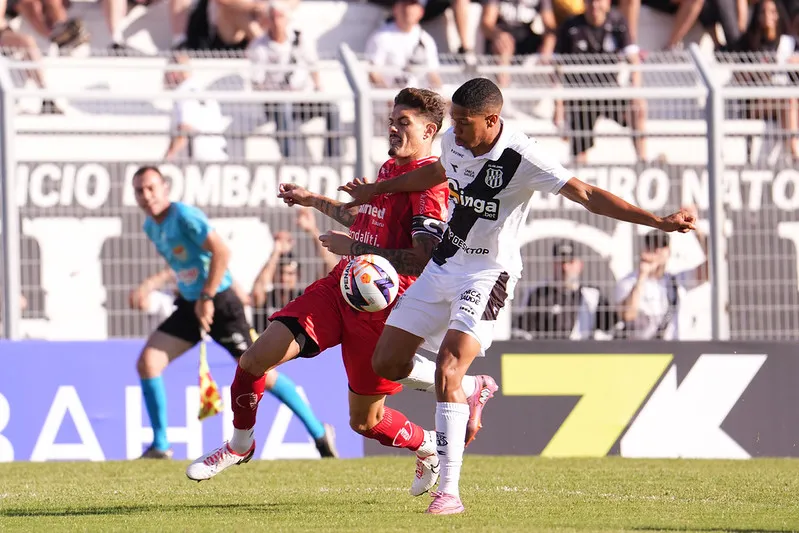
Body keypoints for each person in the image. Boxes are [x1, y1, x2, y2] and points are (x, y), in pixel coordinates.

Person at [339, 78, 696, 514]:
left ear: (492, 120)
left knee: (446, 371)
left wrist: (657, 222)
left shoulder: (522, 156)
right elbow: (437, 170)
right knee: (386, 362)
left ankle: (448, 491)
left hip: (487, 275)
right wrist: (378, 190)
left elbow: (588, 195)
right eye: (452, 121)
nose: (455, 130)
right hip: (445, 265)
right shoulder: (454, 140)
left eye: (464, 123)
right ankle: (474, 388)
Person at [186, 88, 498, 498]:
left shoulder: (430, 187)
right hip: (341, 287)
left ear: (430, 131)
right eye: (392, 119)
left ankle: (425, 445)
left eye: (403, 122)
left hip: (384, 306)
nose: (393, 127)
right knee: (254, 359)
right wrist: (313, 200)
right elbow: (365, 219)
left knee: (365, 422)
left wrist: (356, 249)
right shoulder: (390, 169)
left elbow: (421, 260)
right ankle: (240, 444)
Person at [131, 165, 336, 459]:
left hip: (219, 304)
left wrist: (208, 295)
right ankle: (161, 445)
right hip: (193, 305)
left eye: (151, 187)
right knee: (148, 362)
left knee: (260, 371)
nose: (146, 195)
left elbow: (221, 252)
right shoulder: (151, 226)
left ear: (165, 188)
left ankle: (319, 433)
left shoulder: (184, 217)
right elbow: (187, 263)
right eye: (140, 190)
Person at [615, 213, 709, 340]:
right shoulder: (629, 282)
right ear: (645, 249)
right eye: (653, 246)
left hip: (674, 349)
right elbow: (627, 315)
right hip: (642, 352)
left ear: (668, 252)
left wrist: (697, 230)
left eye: (661, 245)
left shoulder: (676, 280)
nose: (657, 250)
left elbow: (711, 270)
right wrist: (642, 275)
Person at [513, 240, 617, 340]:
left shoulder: (593, 296)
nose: (565, 267)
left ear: (580, 265)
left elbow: (612, 328)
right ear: (554, 264)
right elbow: (521, 331)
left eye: (570, 262)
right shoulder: (537, 294)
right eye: (561, 262)